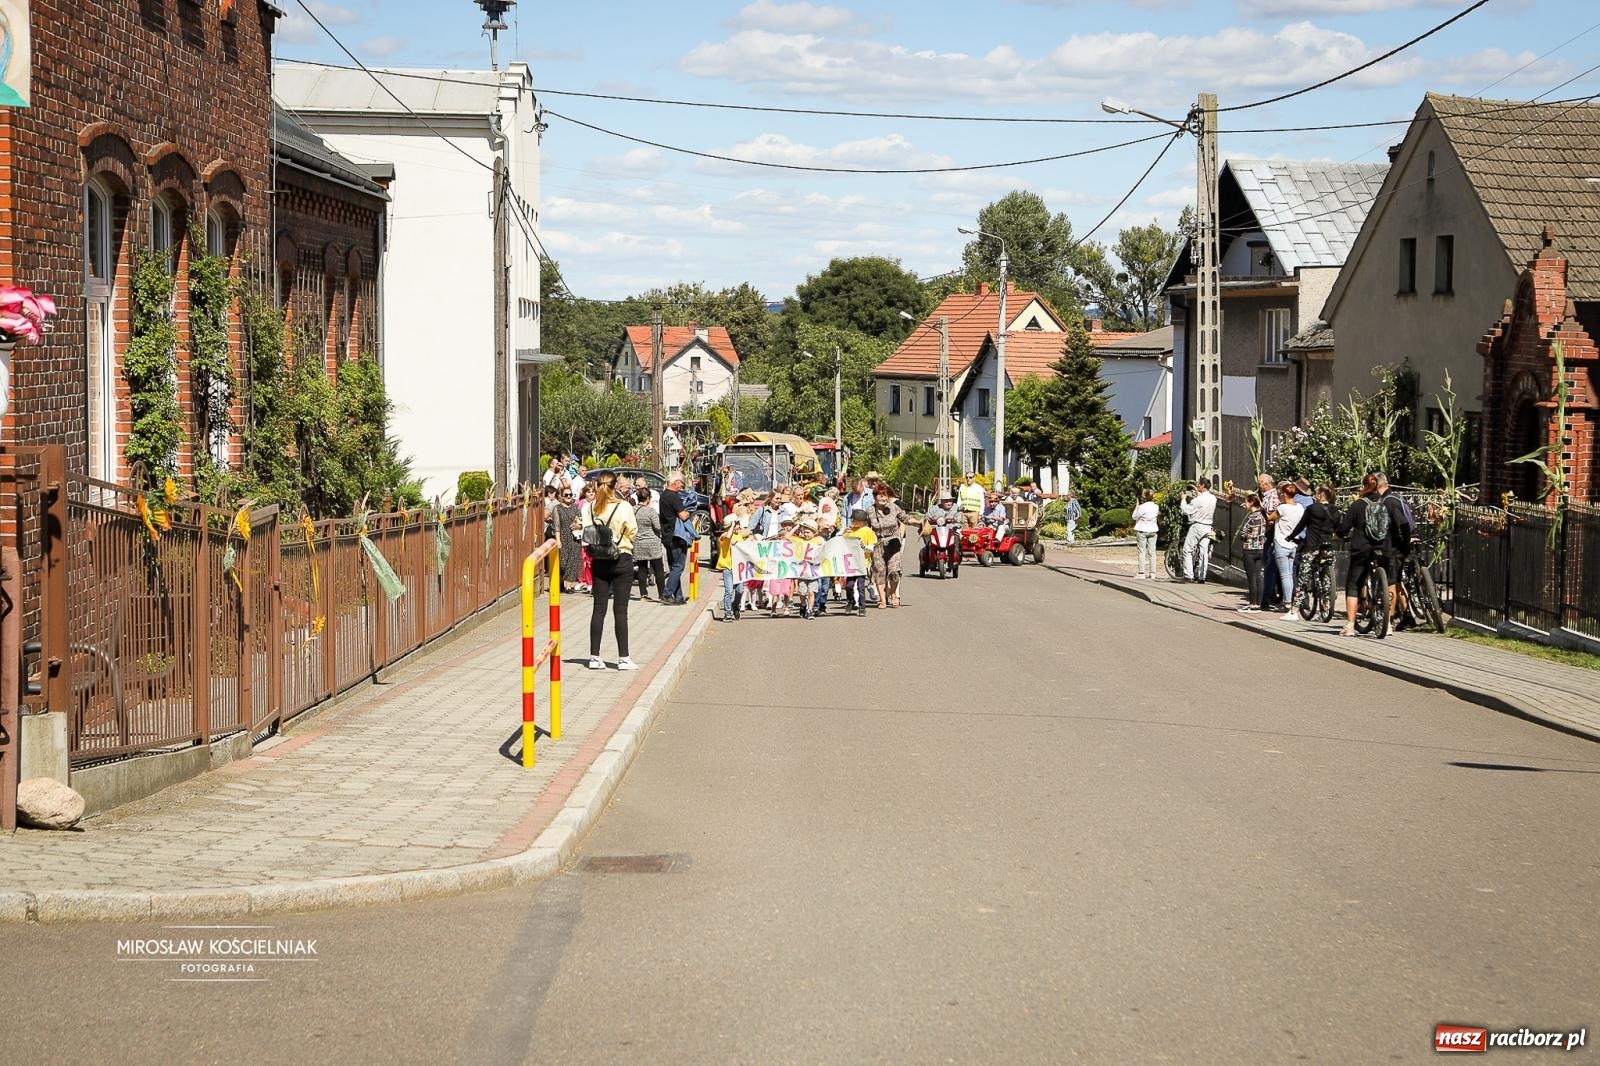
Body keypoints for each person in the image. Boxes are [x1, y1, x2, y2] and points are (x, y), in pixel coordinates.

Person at [1336, 472, 1412, 637]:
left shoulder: (1357, 505)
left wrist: (1340, 533)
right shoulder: (1387, 503)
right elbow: (1404, 523)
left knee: (1354, 585)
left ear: (1364, 486)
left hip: (1361, 548)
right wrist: (1406, 541)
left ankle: (1350, 626)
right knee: (1387, 582)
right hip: (1383, 548)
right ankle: (1389, 623)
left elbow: (1343, 529)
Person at [580, 472, 638, 671]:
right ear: (615, 486)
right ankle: (623, 658)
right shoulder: (624, 507)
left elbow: (587, 531)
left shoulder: (590, 507)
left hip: (599, 560)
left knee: (598, 609)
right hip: (622, 557)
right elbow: (633, 530)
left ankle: (594, 657)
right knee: (620, 611)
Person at [1287, 483, 1341, 614]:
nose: (1314, 495)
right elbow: (1338, 529)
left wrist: (1291, 536)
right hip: (1328, 546)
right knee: (1327, 575)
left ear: (1322, 494)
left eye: (1317, 492)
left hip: (1312, 546)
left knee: (1303, 576)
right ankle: (1327, 604)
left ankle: (1294, 609)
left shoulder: (1312, 508)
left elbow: (1301, 525)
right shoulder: (1336, 511)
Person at [870, 488, 909, 609]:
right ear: (875, 497)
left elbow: (905, 518)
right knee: (879, 572)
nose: (882, 498)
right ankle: (882, 600)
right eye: (880, 495)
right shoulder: (870, 511)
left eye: (884, 495)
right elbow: (864, 527)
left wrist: (918, 522)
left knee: (895, 571)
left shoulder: (894, 508)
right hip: (878, 544)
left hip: (894, 543)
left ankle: (893, 594)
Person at [1272, 481, 1305, 620]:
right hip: (1294, 544)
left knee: (1285, 575)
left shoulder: (1282, 508)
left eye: (1280, 494)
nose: (1279, 496)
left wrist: (1261, 508)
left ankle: (1287, 602)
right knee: (1291, 574)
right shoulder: (1300, 508)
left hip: (1282, 543)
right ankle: (1290, 600)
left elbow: (1270, 518)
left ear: (1285, 495)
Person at [659, 472, 691, 605]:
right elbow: (683, 516)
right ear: (676, 482)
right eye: (681, 483)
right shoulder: (674, 497)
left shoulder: (663, 495)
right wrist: (689, 511)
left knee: (674, 567)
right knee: (678, 566)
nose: (682, 486)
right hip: (676, 536)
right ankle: (667, 593)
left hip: (667, 535)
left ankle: (678, 596)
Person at [632, 486, 667, 601]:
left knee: (642, 568)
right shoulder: (651, 511)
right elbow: (657, 527)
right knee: (658, 569)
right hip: (652, 543)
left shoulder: (633, 510)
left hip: (639, 542)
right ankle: (662, 594)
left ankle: (643, 594)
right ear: (648, 498)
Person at [1178, 478, 1216, 581]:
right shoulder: (1213, 498)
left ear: (1203, 486)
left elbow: (1186, 510)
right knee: (1203, 551)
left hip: (1198, 525)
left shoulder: (1198, 500)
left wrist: (1183, 499)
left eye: (1199, 485)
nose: (1198, 486)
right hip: (1208, 526)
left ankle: (1189, 575)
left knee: (1187, 549)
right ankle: (1202, 576)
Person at [716, 516, 752, 622]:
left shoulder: (739, 536)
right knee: (729, 590)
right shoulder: (723, 536)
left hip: (738, 569)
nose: (738, 526)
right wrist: (732, 524)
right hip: (728, 567)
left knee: (740, 590)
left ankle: (735, 606)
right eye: (736, 524)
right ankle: (727, 613)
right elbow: (727, 537)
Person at [1255, 474, 1282, 610]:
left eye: (1260, 483)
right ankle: (1271, 594)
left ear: (1266, 484)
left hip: (1269, 535)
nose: (1259, 485)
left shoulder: (1271, 497)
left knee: (1268, 566)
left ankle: (1268, 595)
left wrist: (1264, 532)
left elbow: (1270, 518)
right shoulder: (1267, 496)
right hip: (1270, 535)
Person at [843, 509, 876, 616]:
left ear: (862, 521)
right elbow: (841, 544)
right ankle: (851, 601)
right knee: (849, 585)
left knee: (860, 586)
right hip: (850, 563)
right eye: (853, 520)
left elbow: (871, 548)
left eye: (855, 520)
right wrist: (843, 532)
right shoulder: (849, 531)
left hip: (862, 563)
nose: (853, 522)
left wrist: (864, 547)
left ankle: (862, 607)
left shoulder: (867, 531)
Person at [1238, 492, 1266, 611]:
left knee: (1251, 578)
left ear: (1250, 502)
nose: (1245, 504)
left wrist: (1244, 535)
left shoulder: (1251, 518)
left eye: (1246, 502)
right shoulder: (1262, 516)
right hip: (1260, 548)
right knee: (1259, 576)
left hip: (1249, 549)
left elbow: (1243, 533)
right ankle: (1259, 603)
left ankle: (1252, 603)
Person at [554, 485, 583, 593]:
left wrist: (578, 526)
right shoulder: (557, 508)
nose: (568, 497)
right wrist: (558, 540)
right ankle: (561, 582)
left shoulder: (575, 508)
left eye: (570, 495)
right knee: (563, 562)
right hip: (563, 536)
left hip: (574, 537)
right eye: (566, 495)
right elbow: (557, 525)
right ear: (561, 496)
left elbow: (580, 521)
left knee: (573, 561)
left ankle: (569, 586)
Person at [1132, 488, 1160, 579]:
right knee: (1152, 552)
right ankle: (1152, 573)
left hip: (1142, 530)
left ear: (1144, 497)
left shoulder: (1142, 507)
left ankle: (1141, 573)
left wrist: (1136, 507)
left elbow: (1134, 517)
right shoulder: (1156, 507)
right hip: (1153, 530)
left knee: (1142, 552)